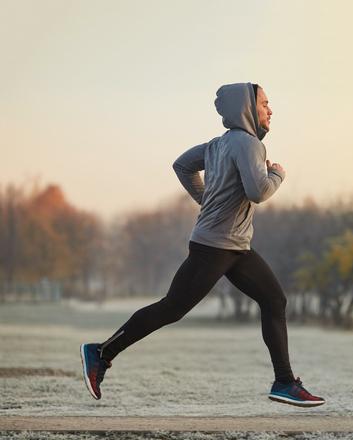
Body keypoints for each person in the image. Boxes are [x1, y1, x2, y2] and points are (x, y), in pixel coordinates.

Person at [80, 82, 325, 408]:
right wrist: (278, 174)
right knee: (172, 307)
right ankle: (100, 353)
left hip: (235, 246)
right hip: (216, 246)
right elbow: (258, 192)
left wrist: (205, 199)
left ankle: (284, 382)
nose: (270, 110)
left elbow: (182, 164)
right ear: (248, 108)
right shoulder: (250, 145)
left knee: (274, 300)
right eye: (265, 103)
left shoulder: (218, 145)